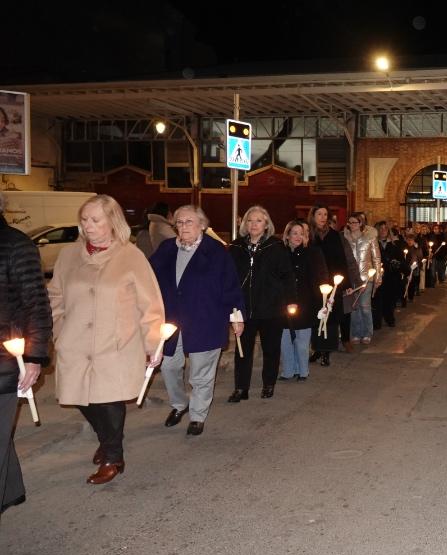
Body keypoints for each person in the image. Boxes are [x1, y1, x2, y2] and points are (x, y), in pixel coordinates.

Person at [48, 195, 164, 484]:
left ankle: (114, 456)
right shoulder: (69, 256)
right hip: (74, 343)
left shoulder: (130, 256)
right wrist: (58, 332)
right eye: (85, 219)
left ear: (112, 222)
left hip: (116, 343)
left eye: (96, 220)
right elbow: (55, 297)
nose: (88, 226)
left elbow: (150, 304)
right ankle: (106, 439)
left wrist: (153, 343)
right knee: (80, 398)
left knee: (109, 401)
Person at [149, 205, 244, 436]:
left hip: (206, 319)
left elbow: (231, 286)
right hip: (172, 320)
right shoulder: (166, 249)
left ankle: (197, 415)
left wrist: (237, 316)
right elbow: (148, 277)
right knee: (170, 366)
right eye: (179, 223)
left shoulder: (216, 252)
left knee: (200, 373)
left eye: (189, 222)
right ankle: (179, 405)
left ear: (202, 224)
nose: (183, 227)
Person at [0, 191, 52, 513]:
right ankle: (11, 490)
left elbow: (36, 302)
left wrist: (34, 357)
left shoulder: (15, 244)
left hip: (5, 359)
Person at [227, 206, 296, 401]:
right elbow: (228, 278)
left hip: (271, 309)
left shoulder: (276, 247)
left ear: (266, 225)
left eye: (258, 220)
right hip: (243, 309)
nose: (253, 224)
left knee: (271, 349)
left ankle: (268, 384)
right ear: (244, 224)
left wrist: (290, 302)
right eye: (250, 220)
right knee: (242, 351)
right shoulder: (236, 247)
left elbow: (287, 276)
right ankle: (241, 388)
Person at [280, 220, 331, 381]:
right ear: (287, 235)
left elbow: (322, 275)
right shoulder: (280, 254)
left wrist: (325, 297)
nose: (298, 237)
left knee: (302, 341)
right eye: (294, 233)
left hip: (305, 301)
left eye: (301, 233)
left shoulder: (313, 253)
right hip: (284, 302)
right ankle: (288, 371)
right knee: (285, 339)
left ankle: (302, 370)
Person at [308, 204, 352, 360]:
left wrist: (345, 284)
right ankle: (317, 348)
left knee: (331, 316)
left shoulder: (334, 235)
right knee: (316, 315)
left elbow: (341, 260)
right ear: (313, 216)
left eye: (325, 215)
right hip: (313, 282)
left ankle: (327, 350)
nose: (322, 218)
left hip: (332, 282)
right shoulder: (308, 235)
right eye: (319, 214)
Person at [344, 214, 381, 344]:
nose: (352, 225)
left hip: (367, 277)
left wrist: (378, 277)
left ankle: (367, 333)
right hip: (351, 277)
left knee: (365, 306)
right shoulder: (345, 239)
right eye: (350, 222)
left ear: (360, 224)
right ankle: (355, 333)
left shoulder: (370, 238)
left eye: (355, 222)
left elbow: (376, 258)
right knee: (354, 306)